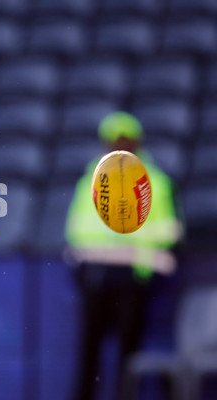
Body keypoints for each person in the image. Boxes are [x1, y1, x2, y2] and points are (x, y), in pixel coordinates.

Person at [64, 111, 185, 400]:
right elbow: (76, 228)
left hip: (133, 277)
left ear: (137, 142)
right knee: (88, 352)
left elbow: (169, 230)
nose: (120, 145)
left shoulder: (156, 181)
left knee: (129, 355)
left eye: (125, 140)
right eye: (114, 140)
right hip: (95, 275)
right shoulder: (90, 179)